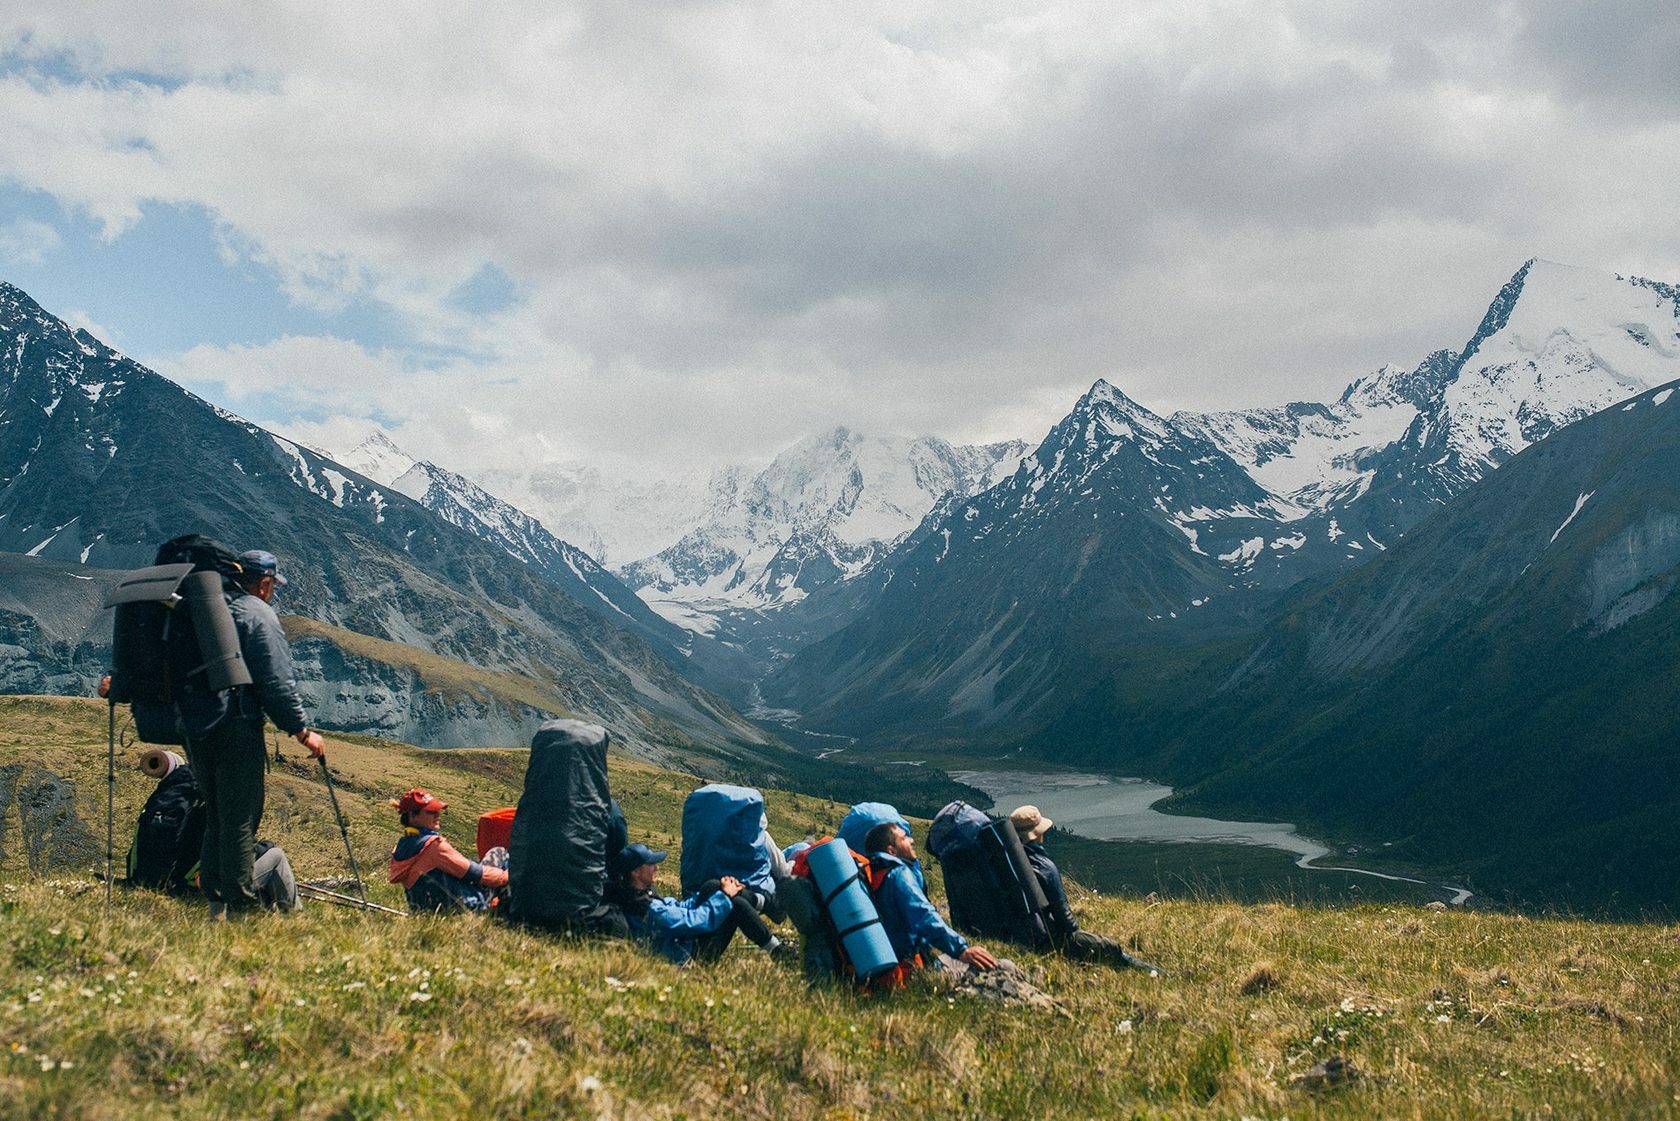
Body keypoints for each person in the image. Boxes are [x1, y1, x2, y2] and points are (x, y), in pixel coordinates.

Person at [178, 549, 325, 921]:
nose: (273, 591)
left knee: (216, 816)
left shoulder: (207, 611)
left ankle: (215, 909)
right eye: (273, 585)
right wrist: (301, 730)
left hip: (197, 728)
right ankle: (241, 908)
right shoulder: (257, 613)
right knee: (241, 818)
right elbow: (275, 682)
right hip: (237, 727)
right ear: (263, 584)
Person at [1010, 805, 1160, 972]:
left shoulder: (1005, 863)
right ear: (1037, 834)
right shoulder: (1045, 868)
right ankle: (1156, 973)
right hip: (1049, 941)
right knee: (1110, 947)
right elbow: (1066, 923)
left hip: (1017, 936)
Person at [605, 843, 792, 965]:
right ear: (636, 872)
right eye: (651, 864)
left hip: (686, 943)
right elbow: (695, 921)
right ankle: (777, 949)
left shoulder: (636, 896)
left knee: (712, 885)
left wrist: (713, 892)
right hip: (693, 958)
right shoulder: (647, 909)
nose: (657, 867)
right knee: (733, 904)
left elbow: (682, 909)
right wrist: (724, 896)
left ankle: (769, 908)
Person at [863, 821, 997, 976]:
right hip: (911, 970)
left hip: (886, 968)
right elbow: (923, 916)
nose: (912, 840)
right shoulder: (898, 875)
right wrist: (962, 949)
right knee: (1000, 967)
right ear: (891, 851)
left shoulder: (875, 876)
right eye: (904, 837)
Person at [388, 788, 509, 911]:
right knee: (499, 853)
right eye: (431, 812)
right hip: (468, 907)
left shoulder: (400, 848)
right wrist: (510, 876)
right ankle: (512, 915)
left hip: (425, 910)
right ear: (413, 816)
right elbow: (475, 873)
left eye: (437, 811)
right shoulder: (433, 846)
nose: (437, 815)